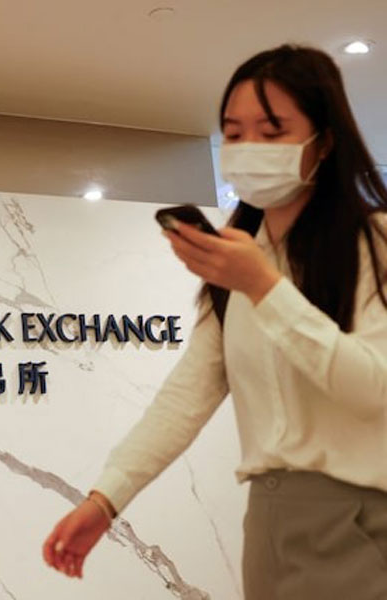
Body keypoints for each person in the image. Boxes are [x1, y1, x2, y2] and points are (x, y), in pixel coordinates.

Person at [42, 44, 387, 599]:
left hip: (363, 521)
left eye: (272, 132)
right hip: (270, 520)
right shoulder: (240, 261)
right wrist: (104, 500)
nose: (249, 148)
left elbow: (373, 387)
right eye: (234, 132)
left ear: (323, 142)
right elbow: (184, 398)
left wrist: (263, 287)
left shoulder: (373, 243)